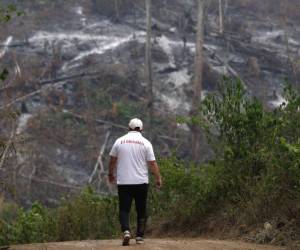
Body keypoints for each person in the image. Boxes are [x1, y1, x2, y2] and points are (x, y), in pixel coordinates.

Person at [108, 118, 162, 246]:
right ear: (141, 129)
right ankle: (139, 236)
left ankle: (126, 231)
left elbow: (112, 160)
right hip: (141, 182)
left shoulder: (119, 141)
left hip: (124, 182)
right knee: (141, 210)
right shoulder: (146, 143)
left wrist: (111, 174)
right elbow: (152, 163)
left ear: (129, 128)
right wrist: (158, 178)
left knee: (124, 209)